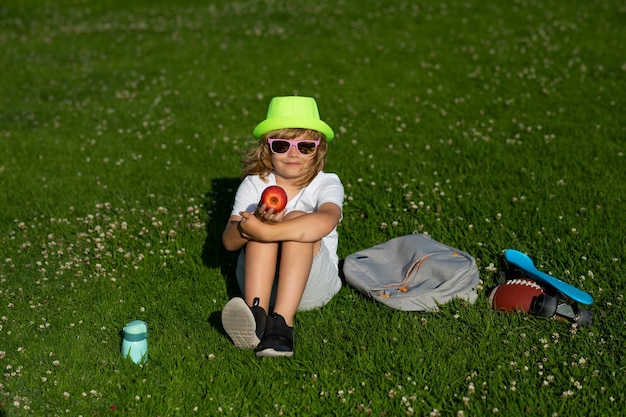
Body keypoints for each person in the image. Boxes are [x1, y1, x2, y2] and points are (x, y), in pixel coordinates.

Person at [221, 96, 344, 357]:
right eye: (281, 145)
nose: (293, 154)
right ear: (267, 148)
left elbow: (327, 220)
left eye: (305, 147)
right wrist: (253, 225)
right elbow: (229, 242)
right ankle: (256, 317)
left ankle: (282, 326)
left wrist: (267, 231)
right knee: (258, 218)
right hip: (260, 282)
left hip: (312, 286)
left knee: (298, 217)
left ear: (319, 149)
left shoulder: (327, 183)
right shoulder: (256, 184)